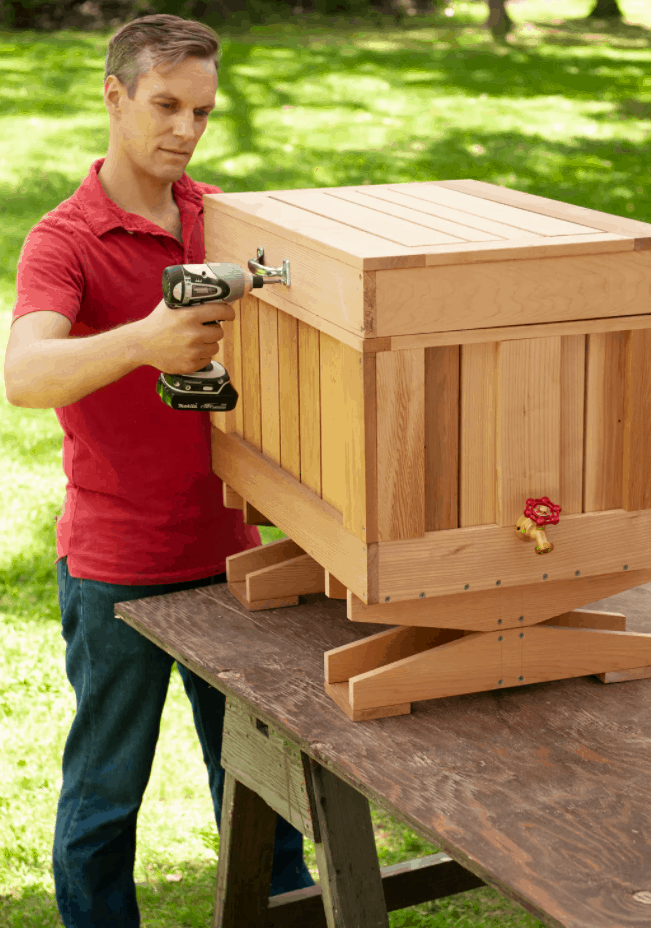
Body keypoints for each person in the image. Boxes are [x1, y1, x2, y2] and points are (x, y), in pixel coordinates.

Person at [3, 14, 312, 927]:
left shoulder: (222, 220)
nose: (184, 129)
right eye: (166, 105)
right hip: (116, 571)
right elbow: (24, 374)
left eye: (203, 113)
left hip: (228, 553)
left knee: (267, 803)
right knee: (105, 801)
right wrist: (143, 340)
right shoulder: (63, 240)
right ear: (116, 95)